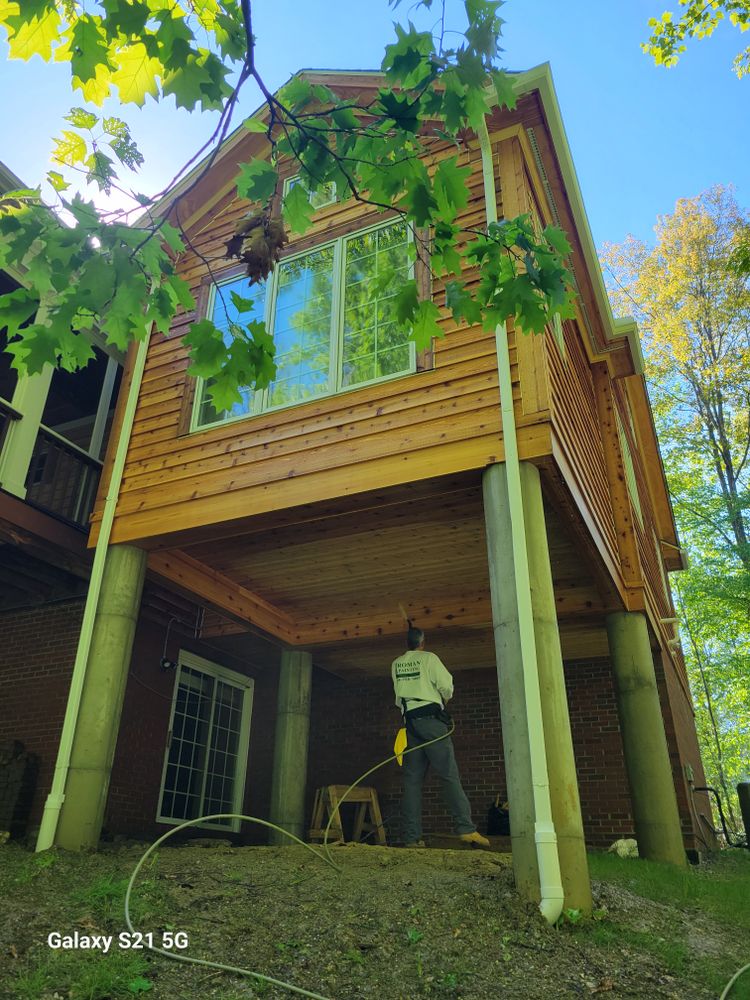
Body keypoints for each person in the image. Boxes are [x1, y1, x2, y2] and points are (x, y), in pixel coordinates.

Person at [391, 624, 490, 849]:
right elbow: (447, 687)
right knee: (448, 774)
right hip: (431, 722)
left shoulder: (396, 664)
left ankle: (411, 838)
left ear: (407, 643)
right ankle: (466, 829)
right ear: (422, 643)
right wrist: (443, 699)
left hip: (410, 724)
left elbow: (399, 698)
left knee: (412, 782)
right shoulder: (429, 659)